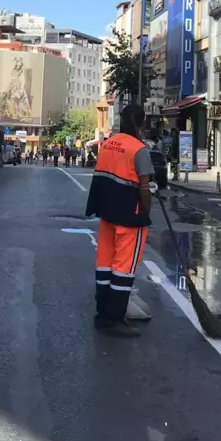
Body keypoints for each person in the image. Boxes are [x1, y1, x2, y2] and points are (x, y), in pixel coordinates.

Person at [85, 104, 153, 337]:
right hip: (129, 217)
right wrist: (147, 208)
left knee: (105, 265)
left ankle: (102, 314)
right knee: (124, 269)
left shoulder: (108, 143)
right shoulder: (139, 149)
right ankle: (114, 319)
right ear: (141, 121)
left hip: (107, 214)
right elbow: (144, 188)